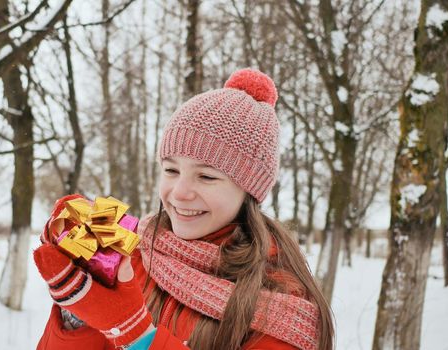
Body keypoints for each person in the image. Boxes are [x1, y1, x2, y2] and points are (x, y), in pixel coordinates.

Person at [33, 68, 334, 350]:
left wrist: (137, 334)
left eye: (206, 176)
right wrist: (79, 312)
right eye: (171, 170)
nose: (179, 193)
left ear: (249, 190)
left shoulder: (281, 302)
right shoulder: (135, 254)